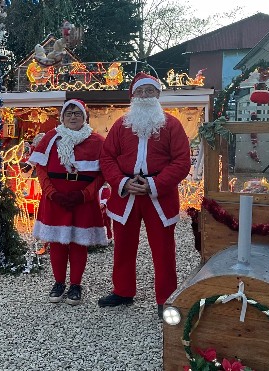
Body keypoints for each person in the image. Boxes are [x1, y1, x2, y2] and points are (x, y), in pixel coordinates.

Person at [98, 72, 190, 318]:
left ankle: (166, 296)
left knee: (163, 249)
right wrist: (123, 182)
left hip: (159, 195)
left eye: (150, 91)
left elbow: (182, 161)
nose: (145, 95)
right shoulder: (120, 125)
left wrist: (154, 184)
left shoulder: (172, 125)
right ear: (133, 96)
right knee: (123, 247)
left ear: (158, 95)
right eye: (141, 91)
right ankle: (123, 290)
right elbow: (107, 158)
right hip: (125, 193)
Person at [29, 99, 107, 306]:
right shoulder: (50, 138)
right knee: (57, 242)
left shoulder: (97, 142)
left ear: (85, 117)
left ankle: (75, 285)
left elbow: (102, 174)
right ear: (62, 117)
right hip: (55, 199)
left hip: (82, 201)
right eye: (69, 113)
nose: (73, 117)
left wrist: (85, 195)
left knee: (78, 243)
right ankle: (59, 282)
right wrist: (52, 193)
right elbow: (41, 168)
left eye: (77, 113)